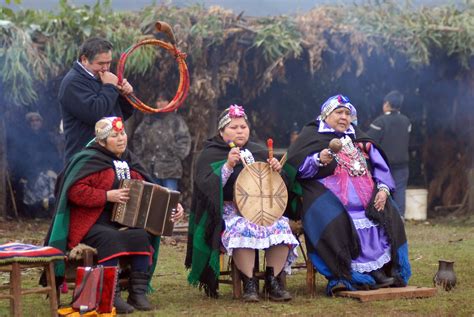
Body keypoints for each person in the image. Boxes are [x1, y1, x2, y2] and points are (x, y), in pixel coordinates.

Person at [46, 116, 184, 314]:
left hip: (120, 222)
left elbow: (149, 187)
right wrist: (106, 196)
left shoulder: (128, 160)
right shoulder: (88, 160)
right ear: (102, 141)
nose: (121, 139)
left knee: (140, 235)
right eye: (114, 135)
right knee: (110, 238)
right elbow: (74, 191)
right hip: (91, 224)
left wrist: (171, 204)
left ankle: (138, 293)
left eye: (123, 133)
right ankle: (111, 294)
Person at [286, 95, 411, 295]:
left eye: (347, 113)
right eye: (339, 112)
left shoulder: (359, 139)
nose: (344, 117)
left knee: (387, 212)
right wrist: (319, 159)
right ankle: (343, 274)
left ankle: (380, 271)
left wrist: (383, 190)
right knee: (334, 218)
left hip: (366, 198)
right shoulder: (312, 136)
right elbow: (297, 170)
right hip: (330, 197)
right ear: (326, 114)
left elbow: (381, 168)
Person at [185, 105, 298, 302]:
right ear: (221, 132)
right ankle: (249, 282)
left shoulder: (259, 151)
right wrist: (228, 165)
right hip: (229, 211)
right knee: (241, 228)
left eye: (243, 127)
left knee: (281, 226)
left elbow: (282, 187)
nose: (239, 131)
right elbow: (206, 187)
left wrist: (278, 170)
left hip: (263, 209)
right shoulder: (211, 153)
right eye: (234, 127)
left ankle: (273, 281)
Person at [58, 37, 135, 161]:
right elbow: (97, 115)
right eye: (100, 64)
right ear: (84, 60)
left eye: (108, 63)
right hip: (86, 157)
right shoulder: (72, 83)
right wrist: (110, 87)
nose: (105, 68)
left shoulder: (100, 78)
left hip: (111, 155)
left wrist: (124, 94)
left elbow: (122, 114)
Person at [131, 96, 191, 190]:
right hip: (150, 166)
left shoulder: (175, 120)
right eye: (159, 100)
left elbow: (184, 139)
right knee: (154, 197)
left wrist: (176, 154)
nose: (161, 103)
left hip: (170, 166)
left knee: (170, 197)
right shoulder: (148, 119)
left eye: (164, 100)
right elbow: (137, 137)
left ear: (169, 102)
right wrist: (140, 153)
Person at [367, 90, 411, 218]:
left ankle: (384, 216)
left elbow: (368, 140)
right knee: (400, 190)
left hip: (384, 164)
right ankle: (400, 218)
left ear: (386, 104)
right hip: (402, 163)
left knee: (382, 189)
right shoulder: (406, 121)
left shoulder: (380, 122)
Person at [19, 112, 61, 218]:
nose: (35, 123)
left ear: (41, 122)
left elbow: (53, 155)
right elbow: (21, 158)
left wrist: (50, 168)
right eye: (32, 121)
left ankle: (48, 212)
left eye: (37, 120)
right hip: (29, 172)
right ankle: (34, 213)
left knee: (51, 181)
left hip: (46, 170)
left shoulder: (46, 137)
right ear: (28, 123)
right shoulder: (23, 139)